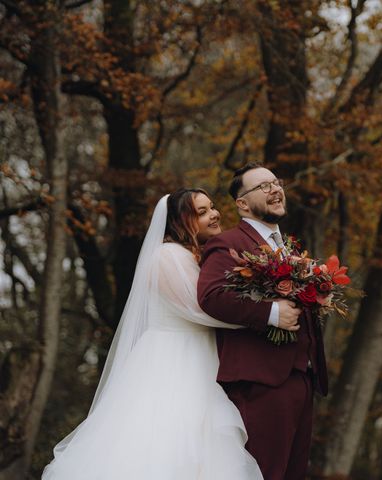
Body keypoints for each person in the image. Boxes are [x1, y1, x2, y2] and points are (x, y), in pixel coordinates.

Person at [42, 189, 263, 480]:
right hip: (174, 361)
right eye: (202, 211)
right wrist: (262, 316)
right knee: (169, 439)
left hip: (198, 356)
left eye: (211, 207)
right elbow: (199, 311)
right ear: (179, 221)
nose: (214, 214)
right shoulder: (167, 256)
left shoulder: (193, 256)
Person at [197, 164, 328, 480]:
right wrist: (270, 313)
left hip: (301, 379)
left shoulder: (286, 247)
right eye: (263, 186)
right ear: (242, 203)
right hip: (261, 382)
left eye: (276, 183)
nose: (274, 189)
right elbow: (210, 296)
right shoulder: (228, 243)